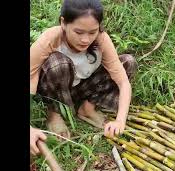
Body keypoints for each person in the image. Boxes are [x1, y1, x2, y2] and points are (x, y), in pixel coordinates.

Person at [30, 0, 138, 155]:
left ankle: (87, 108)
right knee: (57, 64)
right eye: (79, 32)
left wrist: (120, 120)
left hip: (81, 86)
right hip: (55, 88)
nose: (86, 40)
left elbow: (122, 82)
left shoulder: (101, 39)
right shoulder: (50, 39)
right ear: (63, 23)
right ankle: (54, 113)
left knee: (128, 62)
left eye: (92, 32)